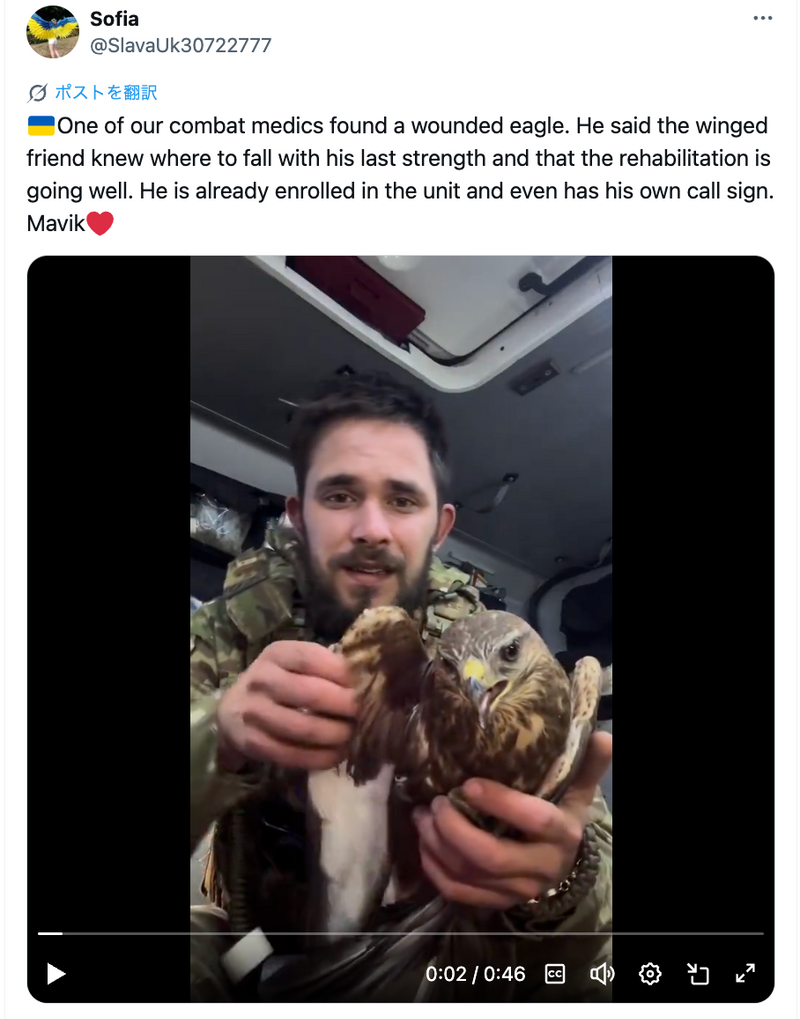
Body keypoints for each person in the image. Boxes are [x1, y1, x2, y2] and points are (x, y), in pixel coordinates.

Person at [190, 371, 613, 1002]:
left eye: (403, 500)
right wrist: (216, 739)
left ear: (440, 526)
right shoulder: (226, 631)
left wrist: (559, 886)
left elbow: (601, 954)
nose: (371, 528)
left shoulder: (500, 655)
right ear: (299, 516)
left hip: (430, 953)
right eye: (340, 496)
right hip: (251, 932)